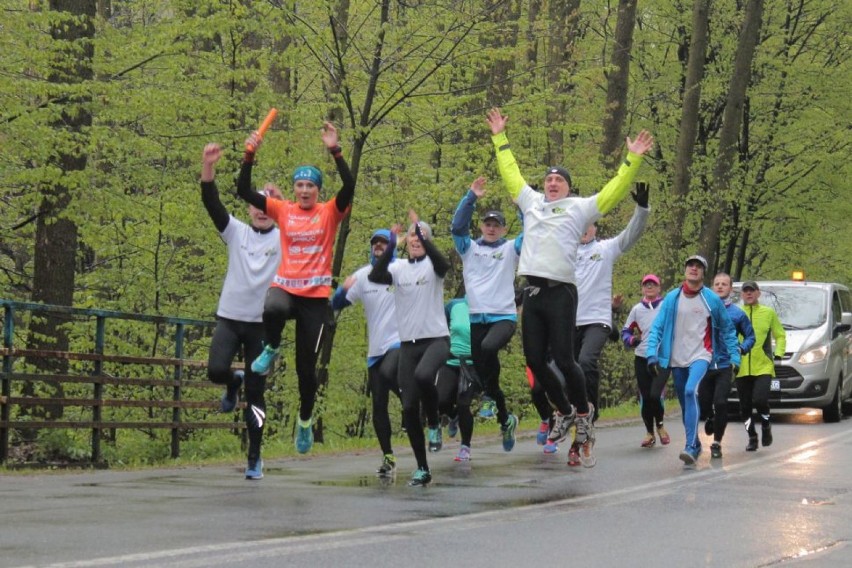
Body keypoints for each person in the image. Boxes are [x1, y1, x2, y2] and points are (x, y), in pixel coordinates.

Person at [486, 107, 654, 468]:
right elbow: (510, 173)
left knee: (566, 359)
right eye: (548, 180)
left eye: (558, 181)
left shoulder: (579, 209)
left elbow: (612, 191)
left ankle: (582, 413)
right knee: (534, 359)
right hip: (533, 291)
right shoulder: (530, 203)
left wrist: (632, 160)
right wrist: (500, 137)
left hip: (562, 292)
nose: (551, 184)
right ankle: (562, 410)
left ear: (568, 187)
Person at [235, 122, 354, 455]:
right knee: (271, 307)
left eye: (309, 186)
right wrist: (249, 154)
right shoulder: (281, 209)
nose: (304, 191)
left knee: (305, 370)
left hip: (315, 300)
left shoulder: (329, 212)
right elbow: (243, 190)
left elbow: (350, 185)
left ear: (317, 190)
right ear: (293, 189)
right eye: (299, 185)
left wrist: (336, 150)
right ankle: (270, 348)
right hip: (286, 289)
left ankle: (304, 419)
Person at [200, 143, 283, 480]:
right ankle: (231, 382)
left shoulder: (283, 238)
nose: (260, 211)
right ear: (249, 209)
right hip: (231, 319)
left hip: (261, 328)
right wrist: (208, 167)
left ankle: (254, 455)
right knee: (215, 370)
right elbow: (211, 202)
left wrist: (283, 203)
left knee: (257, 393)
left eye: (266, 206)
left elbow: (304, 220)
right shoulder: (236, 233)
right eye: (255, 206)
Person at [368, 212, 451, 487]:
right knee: (407, 407)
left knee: (425, 376)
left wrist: (424, 236)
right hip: (408, 346)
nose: (416, 240)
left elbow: (444, 263)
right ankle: (422, 468)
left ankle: (435, 424)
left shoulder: (433, 266)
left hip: (436, 340)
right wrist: (392, 244)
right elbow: (376, 274)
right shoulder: (399, 267)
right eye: (413, 236)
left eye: (421, 235)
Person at [645, 255, 740, 466]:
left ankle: (689, 446)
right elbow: (658, 327)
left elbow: (727, 329)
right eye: (690, 266)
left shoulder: (711, 299)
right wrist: (652, 353)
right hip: (677, 359)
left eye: (698, 267)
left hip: (702, 356)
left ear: (703, 273)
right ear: (685, 270)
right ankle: (694, 443)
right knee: (685, 404)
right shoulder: (672, 298)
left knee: (690, 391)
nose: (694, 269)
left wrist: (734, 357)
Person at [450, 176, 521, 452]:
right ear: (481, 226)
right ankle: (505, 419)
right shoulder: (469, 248)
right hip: (476, 317)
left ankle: (492, 402)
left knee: (489, 348)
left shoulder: (510, 248)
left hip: (503, 317)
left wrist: (521, 206)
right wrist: (471, 196)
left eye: (496, 225)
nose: (491, 229)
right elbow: (456, 226)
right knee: (486, 372)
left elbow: (534, 232)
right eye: (487, 224)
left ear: (504, 229)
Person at [574, 180, 651, 437]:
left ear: (595, 228)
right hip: (569, 321)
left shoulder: (605, 249)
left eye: (589, 225)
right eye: (580, 225)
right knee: (569, 369)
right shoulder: (564, 251)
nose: (585, 229)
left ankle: (589, 410)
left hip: (597, 319)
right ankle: (579, 409)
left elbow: (631, 235)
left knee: (586, 361)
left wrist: (642, 210)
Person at [331, 229, 402, 476]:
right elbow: (336, 305)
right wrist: (341, 291)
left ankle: (416, 408)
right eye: (375, 243)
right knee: (378, 407)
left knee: (391, 372)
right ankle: (388, 456)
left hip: (400, 342)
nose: (379, 247)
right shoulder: (362, 276)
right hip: (376, 349)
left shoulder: (401, 268)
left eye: (383, 243)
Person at [700, 272, 755, 458]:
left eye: (724, 284)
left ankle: (716, 442)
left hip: (725, 365)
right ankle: (709, 417)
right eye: (717, 284)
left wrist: (741, 348)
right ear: (712, 287)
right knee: (704, 403)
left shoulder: (737, 314)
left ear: (731, 289)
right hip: (704, 362)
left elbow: (750, 336)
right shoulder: (703, 309)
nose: (720, 286)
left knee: (721, 402)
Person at [736, 280, 786, 452]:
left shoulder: (768, 313)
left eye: (752, 291)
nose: (749, 294)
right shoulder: (736, 313)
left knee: (760, 400)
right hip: (741, 367)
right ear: (741, 294)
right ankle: (752, 437)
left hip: (763, 366)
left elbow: (780, 335)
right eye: (746, 291)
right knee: (744, 407)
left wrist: (778, 353)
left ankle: (766, 425)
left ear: (758, 293)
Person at [621, 274, 669, 449]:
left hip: (661, 358)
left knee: (656, 395)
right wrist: (631, 340)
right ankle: (650, 432)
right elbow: (625, 331)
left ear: (659, 288)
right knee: (646, 397)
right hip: (641, 357)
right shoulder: (636, 309)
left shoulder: (666, 306)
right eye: (646, 285)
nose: (649, 287)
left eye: (653, 285)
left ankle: (661, 426)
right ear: (642, 288)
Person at [435, 297, 478, 462]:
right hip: (450, 360)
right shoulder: (454, 305)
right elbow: (440, 326)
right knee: (441, 401)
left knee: (463, 404)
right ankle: (453, 416)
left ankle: (465, 447)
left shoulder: (486, 309)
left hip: (471, 364)